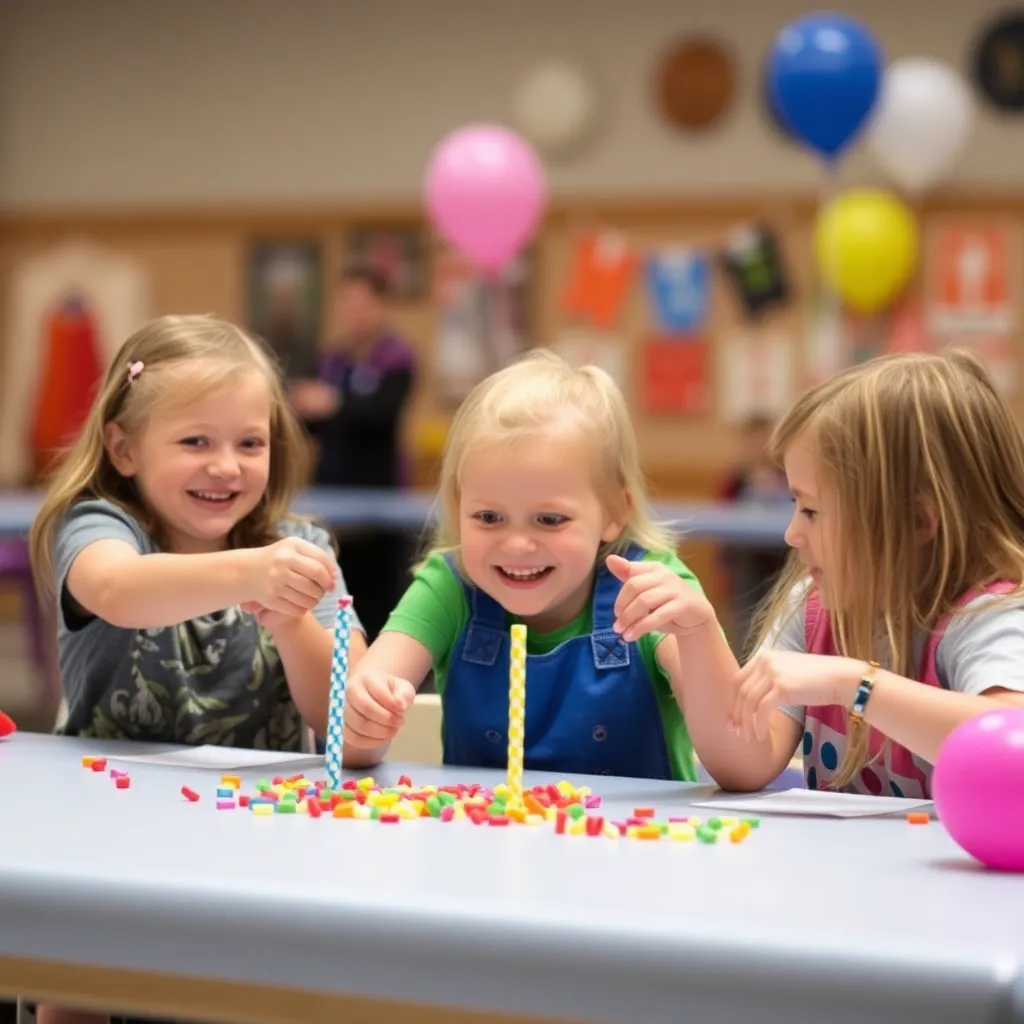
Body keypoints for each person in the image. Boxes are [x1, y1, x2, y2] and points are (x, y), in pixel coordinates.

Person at [28, 314, 369, 1024]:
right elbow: (116, 590)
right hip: (103, 838)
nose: (227, 466)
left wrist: (291, 619)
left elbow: (347, 718)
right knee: (77, 977)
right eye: (195, 442)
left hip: (262, 845)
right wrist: (251, 572)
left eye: (250, 443)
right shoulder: (101, 527)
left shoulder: (301, 549)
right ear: (124, 449)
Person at [337, 348, 735, 783]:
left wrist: (699, 636)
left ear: (614, 512)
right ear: (457, 507)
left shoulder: (651, 590)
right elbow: (350, 744)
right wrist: (365, 714)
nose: (517, 545)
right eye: (489, 517)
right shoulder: (449, 586)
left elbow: (739, 764)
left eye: (550, 520)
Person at [713, 350, 1024, 795]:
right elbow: (746, 762)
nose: (792, 534)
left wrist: (852, 684)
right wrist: (697, 634)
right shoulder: (812, 606)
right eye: (795, 506)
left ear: (917, 519)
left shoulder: (991, 615)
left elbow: (1009, 738)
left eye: (812, 510)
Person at [289, 268, 417, 642]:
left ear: (380, 306)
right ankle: (338, 657)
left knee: (379, 596)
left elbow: (382, 416)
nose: (353, 313)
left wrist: (334, 404)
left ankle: (380, 657)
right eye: (346, 304)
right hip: (330, 495)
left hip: (381, 498)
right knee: (333, 591)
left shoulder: (397, 359)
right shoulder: (330, 361)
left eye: (362, 303)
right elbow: (309, 424)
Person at [717, 415, 790, 655]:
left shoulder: (788, 476)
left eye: (763, 441)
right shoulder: (735, 480)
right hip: (746, 561)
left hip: (780, 562)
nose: (758, 448)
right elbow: (721, 521)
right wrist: (723, 566)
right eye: (753, 442)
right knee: (745, 620)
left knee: (779, 617)